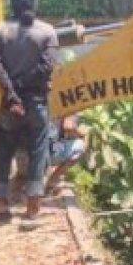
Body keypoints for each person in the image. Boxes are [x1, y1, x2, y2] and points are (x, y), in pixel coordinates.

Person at [0, 0, 58, 218]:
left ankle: (0, 202)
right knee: (38, 150)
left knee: (4, 150)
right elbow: (47, 66)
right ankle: (33, 205)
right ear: (34, 6)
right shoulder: (47, 32)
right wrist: (23, 84)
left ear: (12, 7)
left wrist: (12, 92)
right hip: (36, 102)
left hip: (10, 103)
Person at [44, 49, 87, 195]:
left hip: (22, 154)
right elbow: (68, 126)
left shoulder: (40, 90)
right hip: (46, 155)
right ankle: (53, 180)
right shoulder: (69, 95)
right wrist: (83, 134)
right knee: (82, 144)